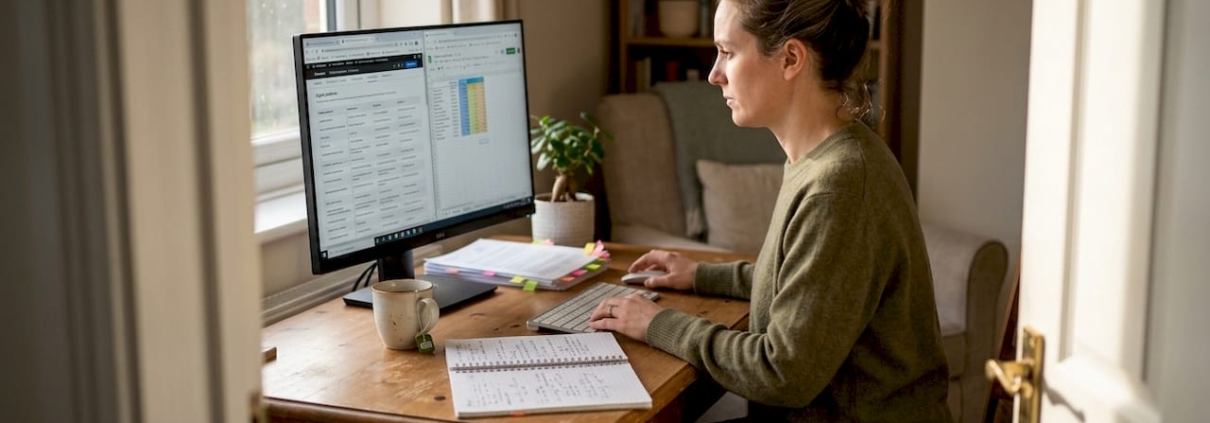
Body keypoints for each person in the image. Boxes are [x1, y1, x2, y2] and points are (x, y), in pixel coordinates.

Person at [588, 0, 952, 421]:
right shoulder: (825, 157)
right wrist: (700, 275)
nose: (714, 74)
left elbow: (782, 372)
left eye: (727, 52)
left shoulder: (839, 185)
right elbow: (806, 284)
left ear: (791, 58)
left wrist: (657, 324)